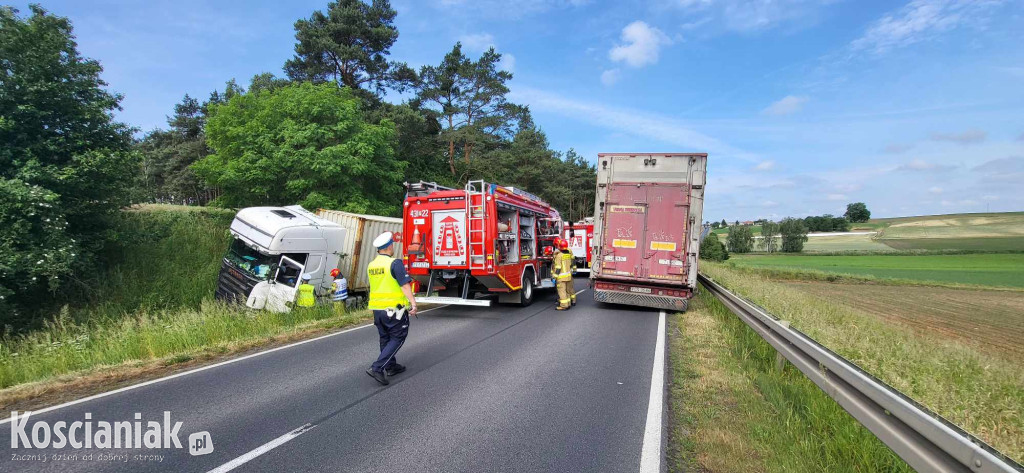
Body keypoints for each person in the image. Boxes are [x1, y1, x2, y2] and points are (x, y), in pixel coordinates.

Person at [365, 231, 417, 386]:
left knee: (385, 337)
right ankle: (378, 367)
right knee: (398, 337)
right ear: (389, 246)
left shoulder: (371, 265)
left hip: (377, 308)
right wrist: (413, 303)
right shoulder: (395, 263)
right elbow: (404, 285)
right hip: (394, 309)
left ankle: (391, 366)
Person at [552, 238, 575, 310]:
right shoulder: (568, 253)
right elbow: (572, 262)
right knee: (568, 290)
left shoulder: (559, 255)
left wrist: (554, 277)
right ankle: (569, 303)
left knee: (562, 291)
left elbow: (558, 267)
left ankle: (564, 305)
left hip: (561, 277)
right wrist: (574, 269)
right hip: (568, 275)